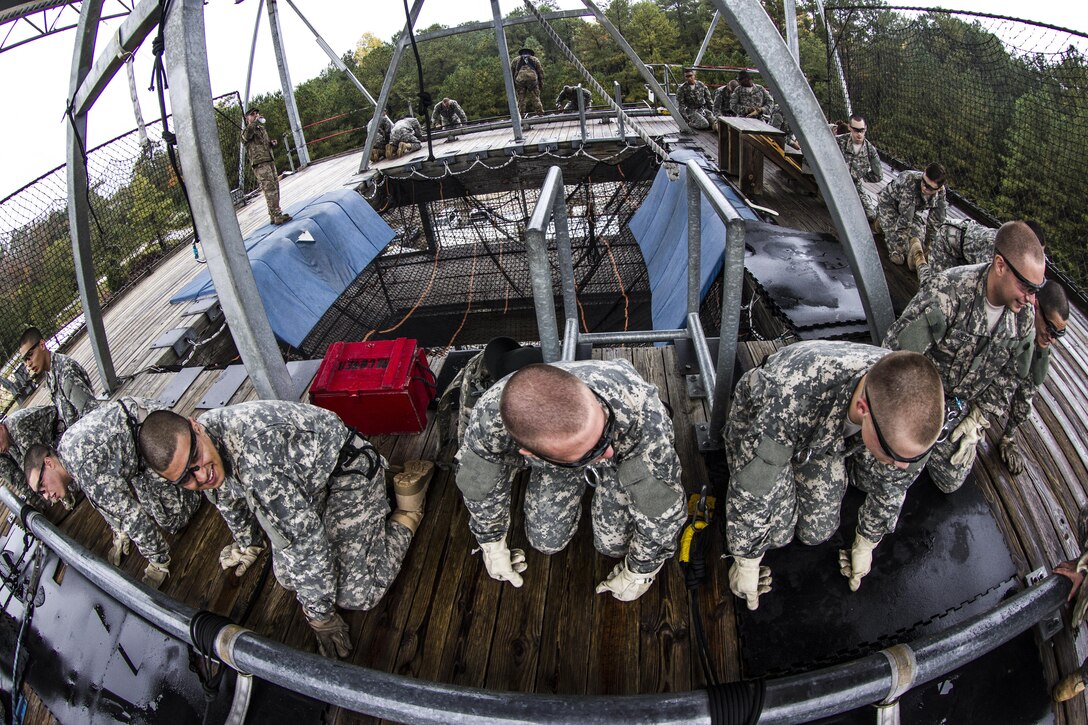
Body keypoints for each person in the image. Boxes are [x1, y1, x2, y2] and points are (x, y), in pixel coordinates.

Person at [136, 401, 432, 659]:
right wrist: (247, 543)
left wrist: (321, 618)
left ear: (195, 426)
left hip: (348, 470)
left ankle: (408, 511)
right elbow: (224, 496)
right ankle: (365, 519)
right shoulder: (205, 445)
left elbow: (308, 546)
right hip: (306, 483)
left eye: (195, 460)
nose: (201, 475)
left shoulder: (255, 460)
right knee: (288, 577)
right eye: (186, 478)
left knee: (357, 595)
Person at [724, 342, 943, 610]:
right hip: (765, 426)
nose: (899, 466)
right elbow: (751, 487)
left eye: (907, 458)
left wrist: (867, 542)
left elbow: (896, 483)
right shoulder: (789, 398)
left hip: (824, 435)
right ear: (863, 408)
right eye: (891, 453)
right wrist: (746, 561)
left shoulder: (911, 409)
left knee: (818, 532)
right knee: (776, 536)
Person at [455, 360, 686, 602]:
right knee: (545, 542)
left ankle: (593, 444)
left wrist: (641, 571)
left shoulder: (641, 413)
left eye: (603, 432)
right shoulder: (489, 421)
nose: (605, 453)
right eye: (591, 452)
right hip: (555, 460)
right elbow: (479, 486)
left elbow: (663, 510)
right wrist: (491, 543)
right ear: (530, 453)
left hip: (627, 450)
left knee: (614, 546)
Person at [883, 220, 1044, 494]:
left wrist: (979, 417)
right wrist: (903, 419)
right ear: (1001, 265)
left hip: (959, 406)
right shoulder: (948, 292)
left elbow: (1008, 377)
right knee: (880, 474)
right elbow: (895, 357)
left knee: (949, 482)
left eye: (1035, 290)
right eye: (1026, 287)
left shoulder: (1023, 318)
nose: (1030, 299)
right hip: (917, 398)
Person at [23, 397, 201, 587]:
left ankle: (194, 480)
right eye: (40, 494)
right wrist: (119, 531)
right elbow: (102, 500)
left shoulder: (82, 466)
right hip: (135, 452)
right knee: (149, 509)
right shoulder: (67, 454)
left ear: (48, 463)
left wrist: (158, 561)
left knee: (172, 521)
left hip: (156, 431)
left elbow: (131, 515)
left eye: (42, 487)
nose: (47, 496)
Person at [999, 281, 1068, 474]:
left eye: (1058, 334)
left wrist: (1043, 347)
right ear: (1036, 306)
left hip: (1022, 353)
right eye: (1050, 329)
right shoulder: (1013, 315)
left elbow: (1035, 379)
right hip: (1000, 357)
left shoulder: (1044, 334)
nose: (1052, 338)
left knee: (1027, 393)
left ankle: (1008, 436)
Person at [18, 326, 98, 431]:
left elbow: (93, 415)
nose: (28, 364)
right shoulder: (50, 373)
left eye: (30, 355)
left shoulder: (66, 373)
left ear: (42, 345)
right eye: (25, 360)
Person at [877, 162, 948, 268]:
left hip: (914, 211)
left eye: (929, 187)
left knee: (917, 237)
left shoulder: (941, 193)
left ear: (938, 189)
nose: (924, 187)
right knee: (898, 256)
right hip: (889, 204)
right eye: (924, 182)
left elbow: (936, 222)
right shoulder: (910, 180)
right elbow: (905, 220)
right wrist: (898, 249)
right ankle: (880, 222)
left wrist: (928, 249)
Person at [0, 406, 59, 509]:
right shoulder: (8, 441)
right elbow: (25, 467)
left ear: (1, 428)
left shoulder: (18, 430)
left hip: (60, 432)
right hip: (50, 445)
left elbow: (41, 463)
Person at [241, 107, 291, 225]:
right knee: (269, 189)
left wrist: (271, 144)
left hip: (269, 160)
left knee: (275, 187)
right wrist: (253, 122)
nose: (256, 115)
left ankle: (273, 214)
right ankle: (277, 215)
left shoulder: (261, 129)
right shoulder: (246, 131)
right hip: (260, 164)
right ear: (247, 118)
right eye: (252, 114)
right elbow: (247, 136)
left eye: (256, 113)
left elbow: (263, 144)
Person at [836, 114, 882, 225]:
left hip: (854, 184)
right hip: (836, 182)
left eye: (862, 130)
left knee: (870, 215)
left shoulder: (870, 150)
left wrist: (861, 176)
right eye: (856, 130)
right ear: (850, 128)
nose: (859, 134)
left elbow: (878, 175)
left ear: (865, 128)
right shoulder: (838, 142)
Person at [511, 46, 545, 116]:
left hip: (520, 80)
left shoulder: (516, 60)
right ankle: (540, 113)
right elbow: (540, 72)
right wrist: (541, 84)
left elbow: (511, 72)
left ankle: (521, 115)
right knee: (535, 97)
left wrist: (513, 85)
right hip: (532, 80)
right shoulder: (535, 59)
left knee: (521, 98)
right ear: (530, 53)